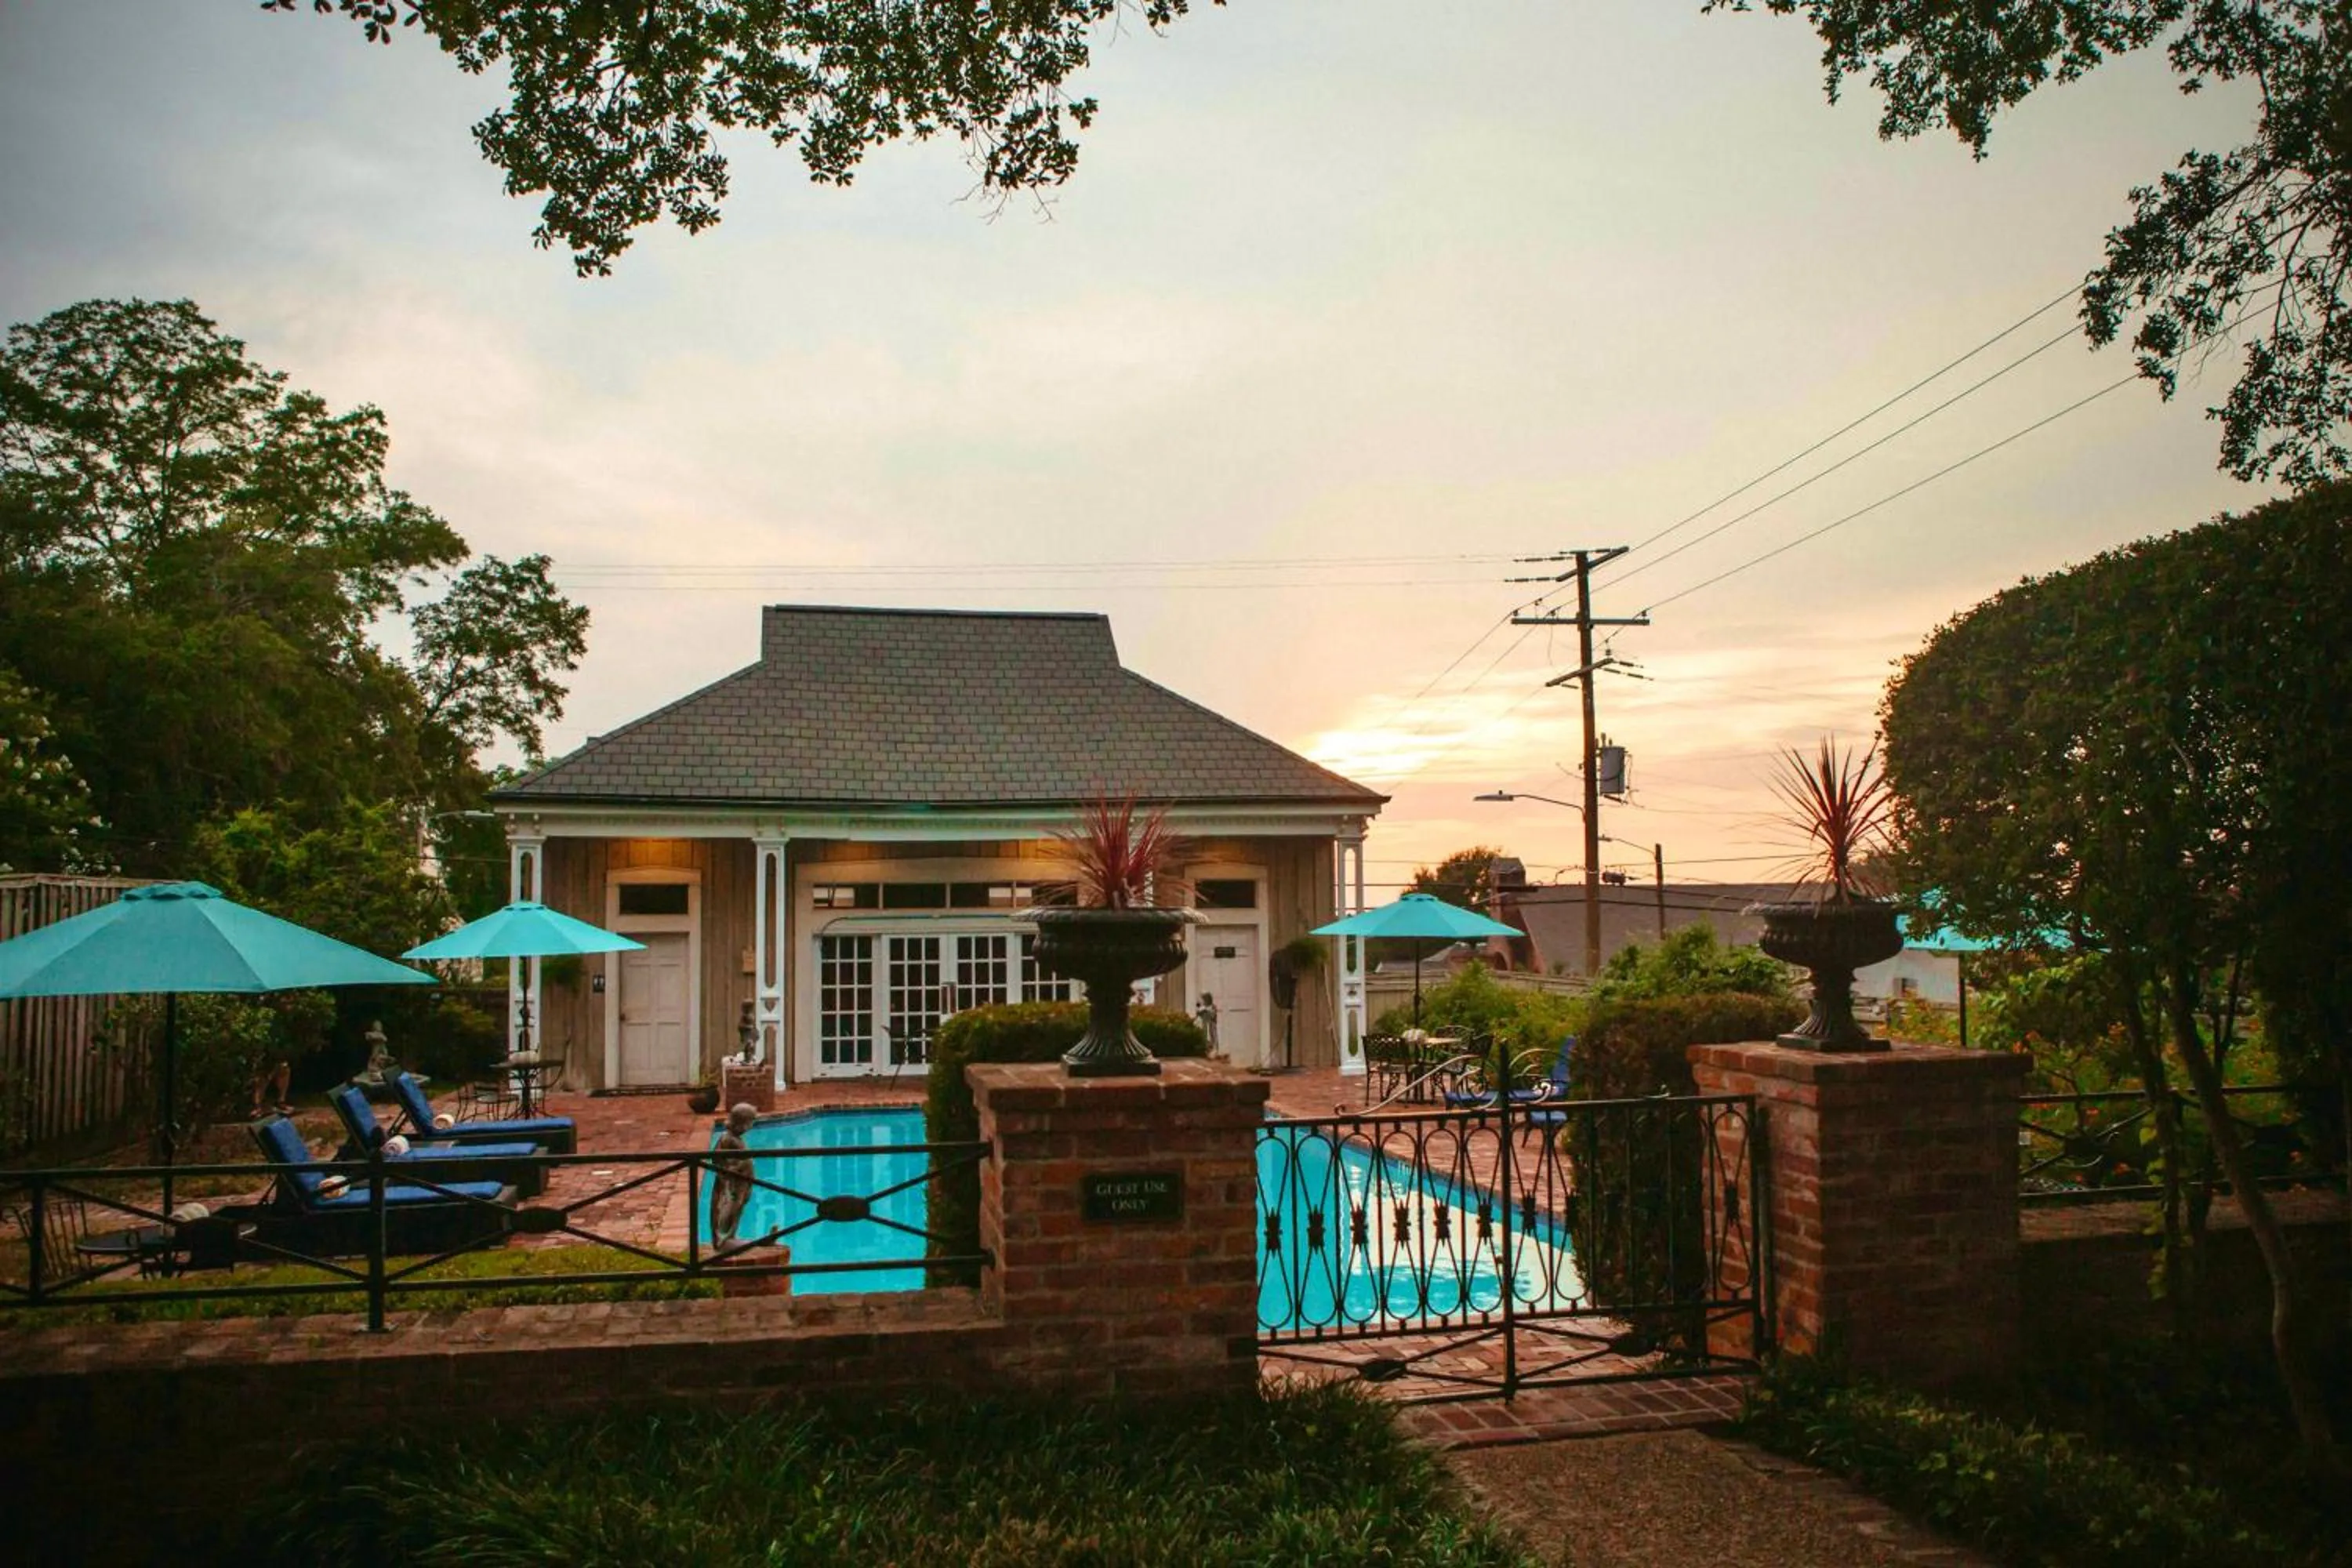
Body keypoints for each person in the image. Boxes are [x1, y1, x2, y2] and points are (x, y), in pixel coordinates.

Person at [710, 1102, 757, 1250]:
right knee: (728, 1210)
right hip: (731, 1186)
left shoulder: (735, 1139)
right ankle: (723, 1239)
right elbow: (718, 1160)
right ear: (741, 1123)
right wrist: (741, 1165)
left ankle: (731, 1236)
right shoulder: (727, 1139)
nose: (751, 1126)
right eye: (750, 1122)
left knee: (737, 1209)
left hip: (741, 1184)